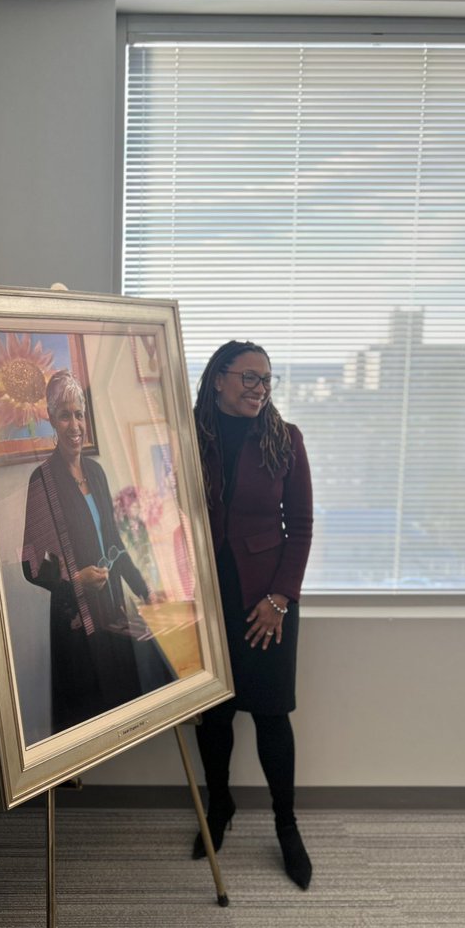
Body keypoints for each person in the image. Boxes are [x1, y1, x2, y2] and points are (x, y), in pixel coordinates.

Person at [191, 340, 313, 889]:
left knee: (270, 716)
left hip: (267, 605)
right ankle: (220, 808)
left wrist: (280, 598)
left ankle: (286, 826)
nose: (259, 387)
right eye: (248, 377)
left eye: (266, 379)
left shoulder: (286, 440)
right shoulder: (189, 434)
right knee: (213, 716)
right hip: (205, 601)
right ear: (218, 379)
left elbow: (302, 527)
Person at [21, 369, 174, 735]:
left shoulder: (97, 472)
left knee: (118, 711)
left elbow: (116, 545)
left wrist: (146, 591)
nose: (74, 424)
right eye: (64, 415)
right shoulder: (42, 481)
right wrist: (75, 580)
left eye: (79, 414)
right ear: (51, 420)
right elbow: (30, 565)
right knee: (84, 718)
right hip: (74, 618)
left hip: (111, 607)